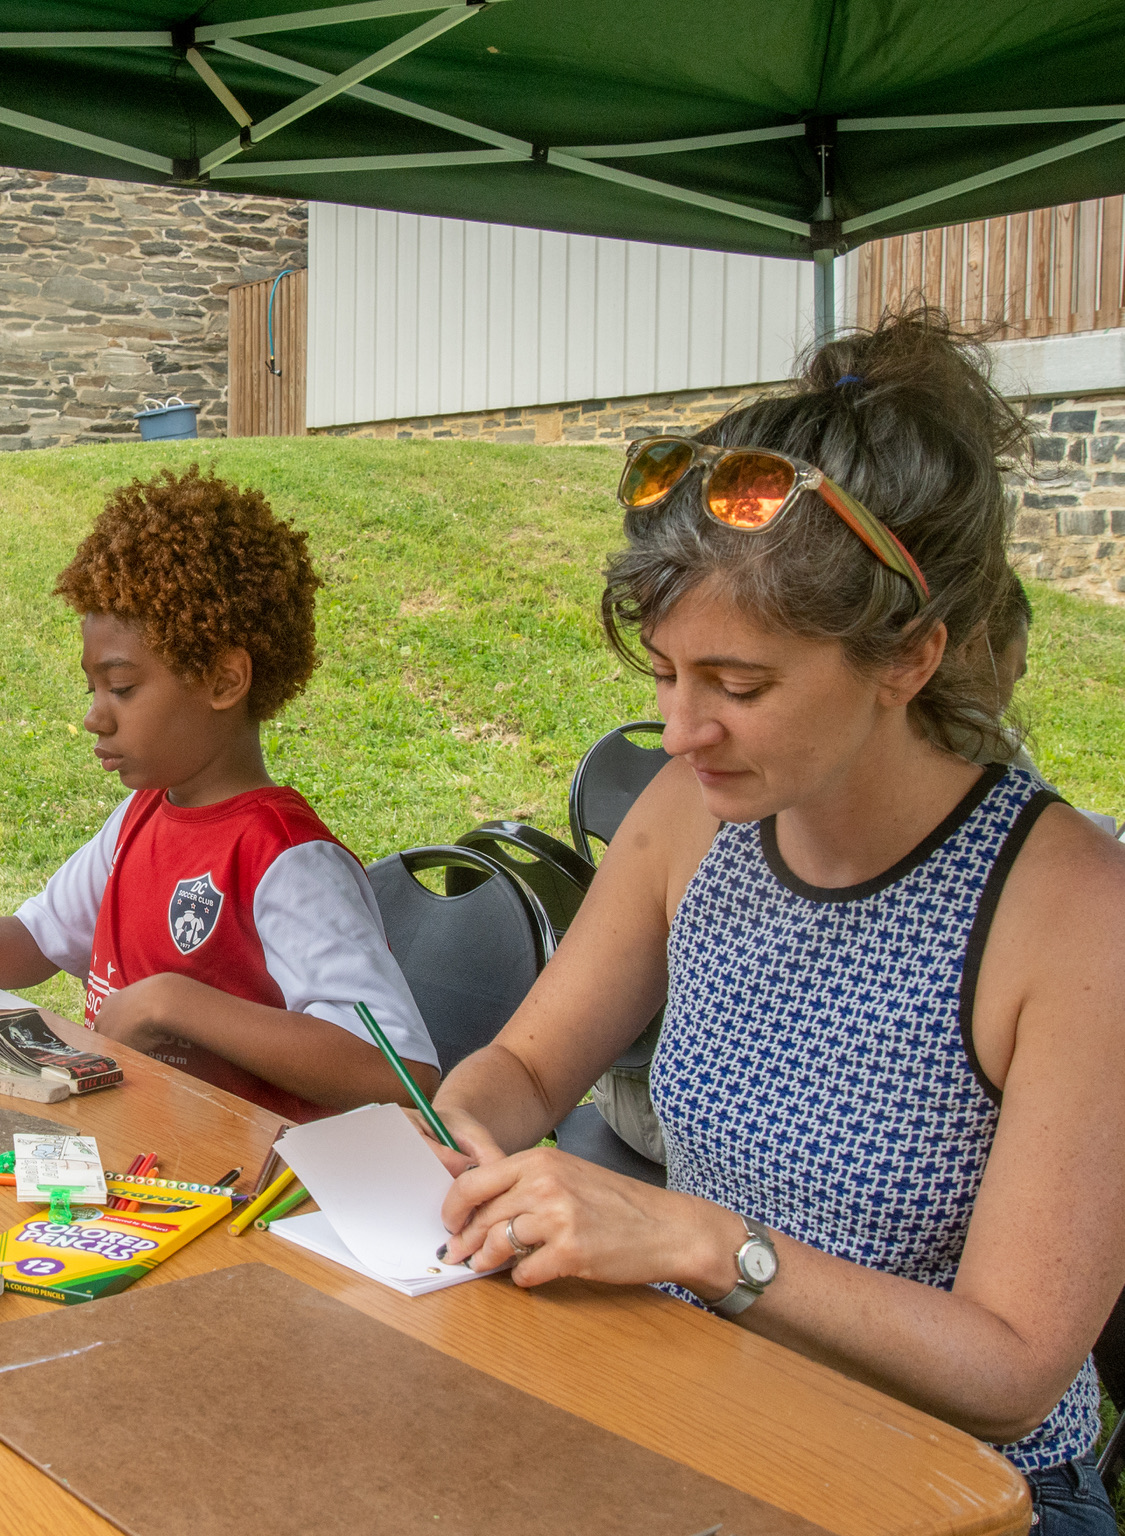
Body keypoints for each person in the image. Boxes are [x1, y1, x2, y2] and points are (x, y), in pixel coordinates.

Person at [422, 314, 1125, 1534]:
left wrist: (700, 1245)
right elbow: (532, 1063)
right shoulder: (691, 821)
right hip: (706, 1424)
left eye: (737, 687)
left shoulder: (1070, 918)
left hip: (961, 1496)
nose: (681, 731)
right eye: (663, 673)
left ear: (907, 657)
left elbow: (1011, 1374)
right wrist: (461, 1130)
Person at [0, 465, 433, 1123]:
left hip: (248, 1186)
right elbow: (36, 937)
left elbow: (398, 1074)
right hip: (142, 1150)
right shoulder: (139, 818)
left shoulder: (283, 860)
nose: (95, 717)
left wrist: (174, 1002)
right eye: (92, 690)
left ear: (224, 679)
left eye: (123, 688)